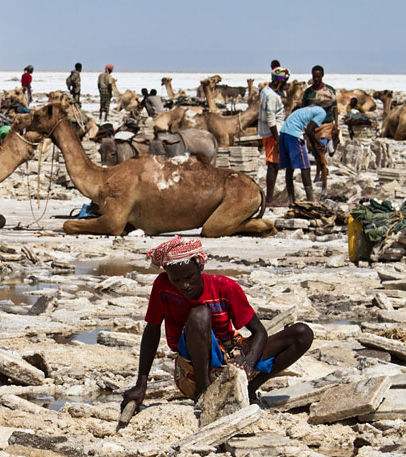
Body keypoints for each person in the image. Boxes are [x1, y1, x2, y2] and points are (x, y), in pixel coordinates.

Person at [121, 238, 313, 410]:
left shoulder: (225, 287)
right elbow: (152, 331)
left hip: (227, 354)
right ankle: (203, 393)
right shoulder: (163, 287)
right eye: (177, 280)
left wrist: (247, 363)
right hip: (192, 368)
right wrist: (141, 383)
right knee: (200, 314)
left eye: (189, 278)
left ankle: (250, 387)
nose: (184, 285)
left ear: (200, 267)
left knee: (302, 333)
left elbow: (260, 333)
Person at [279, 90, 333, 204]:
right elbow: (310, 130)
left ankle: (291, 199)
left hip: (284, 133)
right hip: (294, 135)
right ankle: (310, 199)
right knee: (305, 167)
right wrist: (319, 143)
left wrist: (315, 145)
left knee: (290, 168)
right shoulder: (321, 112)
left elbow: (309, 131)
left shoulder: (309, 108)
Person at [258, 67, 289, 206]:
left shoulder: (265, 90)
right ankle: (269, 199)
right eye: (285, 83)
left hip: (268, 132)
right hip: (272, 133)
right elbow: (271, 119)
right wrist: (278, 139)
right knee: (273, 164)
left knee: (273, 164)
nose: (287, 85)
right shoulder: (272, 96)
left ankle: (269, 197)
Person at [300, 65, 338, 156]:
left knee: (320, 148)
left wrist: (336, 124)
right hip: (312, 125)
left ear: (322, 76)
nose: (316, 79)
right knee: (312, 149)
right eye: (314, 77)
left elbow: (335, 107)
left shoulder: (329, 91)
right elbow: (303, 109)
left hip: (326, 124)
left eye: (318, 77)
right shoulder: (308, 92)